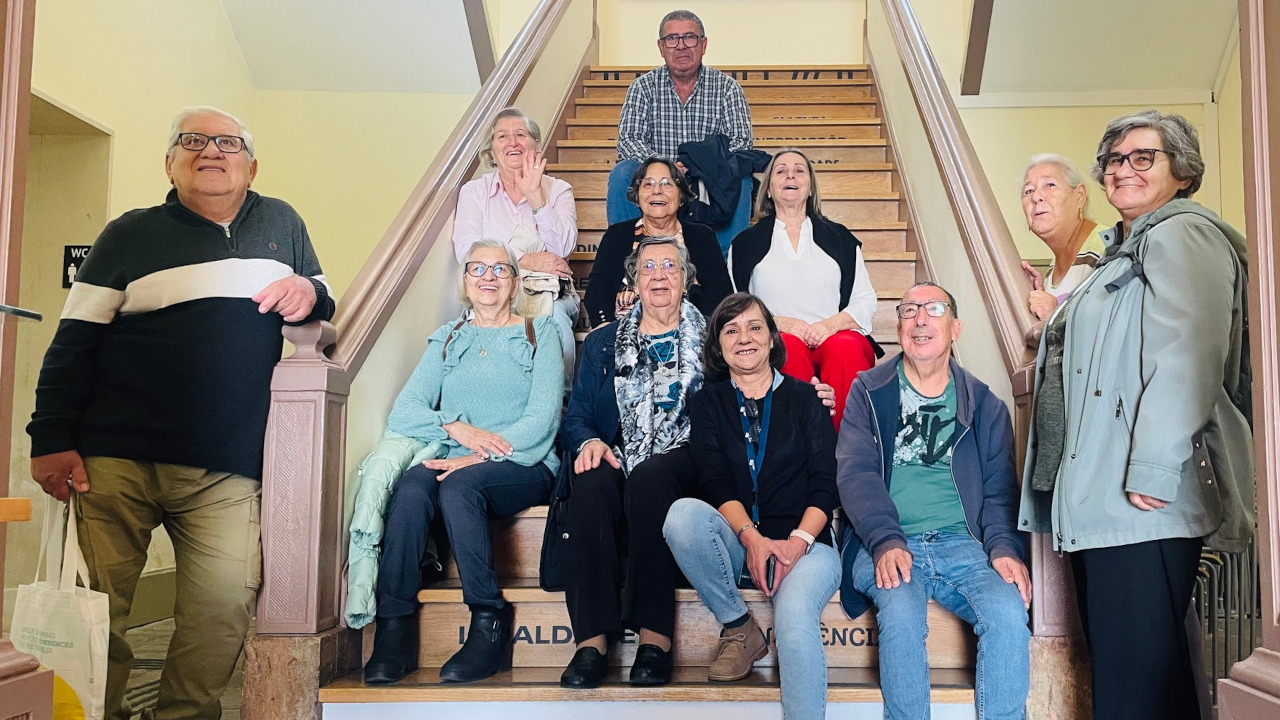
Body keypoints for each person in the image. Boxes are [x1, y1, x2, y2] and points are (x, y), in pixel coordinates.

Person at [26, 106, 335, 720]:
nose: (211, 152)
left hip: (226, 467)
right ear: (169, 162)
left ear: (252, 165)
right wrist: (49, 438)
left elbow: (319, 301)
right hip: (114, 459)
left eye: (228, 143)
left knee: (221, 611)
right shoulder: (128, 232)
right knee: (95, 613)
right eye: (192, 141)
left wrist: (311, 293)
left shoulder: (282, 223)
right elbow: (73, 343)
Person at [1018, 110, 1253, 720]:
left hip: (1142, 499)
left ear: (1181, 170)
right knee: (1150, 683)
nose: (1124, 169)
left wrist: (1151, 466)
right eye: (1115, 160)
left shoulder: (1182, 234)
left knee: (1134, 691)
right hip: (1110, 497)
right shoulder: (1125, 250)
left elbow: (1189, 353)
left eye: (1143, 157)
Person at [364, 239, 563, 685]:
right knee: (413, 489)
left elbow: (542, 420)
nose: (488, 277)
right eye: (478, 268)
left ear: (514, 285)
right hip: (456, 456)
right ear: (465, 281)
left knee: (458, 488)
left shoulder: (540, 333)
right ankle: (394, 628)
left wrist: (478, 454)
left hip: (524, 464)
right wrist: (455, 429)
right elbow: (406, 410)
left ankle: (487, 620)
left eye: (500, 270)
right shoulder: (449, 337)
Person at [838, 282, 1031, 720]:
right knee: (902, 610)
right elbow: (856, 473)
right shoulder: (868, 391)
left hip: (963, 544)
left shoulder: (985, 405)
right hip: (884, 540)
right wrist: (886, 540)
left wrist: (1002, 548)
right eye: (909, 310)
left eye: (933, 309)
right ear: (899, 326)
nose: (920, 319)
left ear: (955, 327)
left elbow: (1001, 492)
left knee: (1006, 612)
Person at [664, 293, 840, 720]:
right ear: (719, 345)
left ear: (772, 338)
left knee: (796, 623)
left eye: (754, 327)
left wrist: (795, 543)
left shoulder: (806, 398)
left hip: (808, 545)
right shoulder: (707, 402)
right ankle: (740, 625)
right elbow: (715, 481)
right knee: (682, 515)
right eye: (731, 329)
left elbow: (824, 486)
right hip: (740, 540)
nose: (744, 338)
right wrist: (754, 539)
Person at [557, 236, 707, 689]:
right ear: (634, 281)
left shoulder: (714, 340)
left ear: (686, 280)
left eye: (670, 266)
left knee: (650, 478)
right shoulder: (603, 342)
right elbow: (578, 415)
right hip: (619, 452)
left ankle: (654, 639)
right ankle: (591, 642)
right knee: (589, 479)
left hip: (686, 456)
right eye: (648, 268)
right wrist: (588, 442)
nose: (659, 275)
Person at [729, 148, 878, 431]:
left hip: (834, 333)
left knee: (845, 349)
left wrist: (830, 325)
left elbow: (864, 299)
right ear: (769, 190)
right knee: (785, 349)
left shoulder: (840, 238)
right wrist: (774, 322)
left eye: (799, 170)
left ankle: (846, 449)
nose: (790, 175)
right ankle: (799, 448)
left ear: (810, 187)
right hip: (777, 334)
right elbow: (736, 306)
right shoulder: (744, 244)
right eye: (780, 170)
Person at [608, 9, 754, 252]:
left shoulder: (727, 88)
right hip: (658, 179)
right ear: (661, 46)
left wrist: (696, 166)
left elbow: (741, 142)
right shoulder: (643, 87)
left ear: (703, 44)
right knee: (623, 172)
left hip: (709, 182)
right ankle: (625, 257)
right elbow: (629, 141)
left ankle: (725, 266)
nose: (681, 46)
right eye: (672, 39)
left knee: (742, 176)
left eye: (689, 37)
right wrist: (666, 167)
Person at [452, 107, 579, 381]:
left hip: (550, 294)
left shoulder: (558, 189)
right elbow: (467, 251)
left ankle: (557, 406)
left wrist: (535, 196)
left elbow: (563, 248)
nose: (512, 142)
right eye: (502, 136)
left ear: (536, 145)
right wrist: (525, 261)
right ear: (492, 150)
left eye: (520, 135)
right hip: (493, 291)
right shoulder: (474, 192)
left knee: (555, 329)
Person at [584, 157, 732, 326]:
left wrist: (702, 329)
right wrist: (605, 326)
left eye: (666, 184)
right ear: (637, 197)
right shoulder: (617, 235)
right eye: (648, 184)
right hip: (624, 335)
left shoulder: (701, 236)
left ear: (682, 196)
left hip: (688, 336)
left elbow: (719, 289)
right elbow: (598, 288)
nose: (657, 191)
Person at [1017, 153, 1104, 326]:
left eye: (1050, 185)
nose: (1036, 197)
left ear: (1079, 195)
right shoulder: (1051, 270)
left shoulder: (1107, 247)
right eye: (1029, 191)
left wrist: (1054, 314)